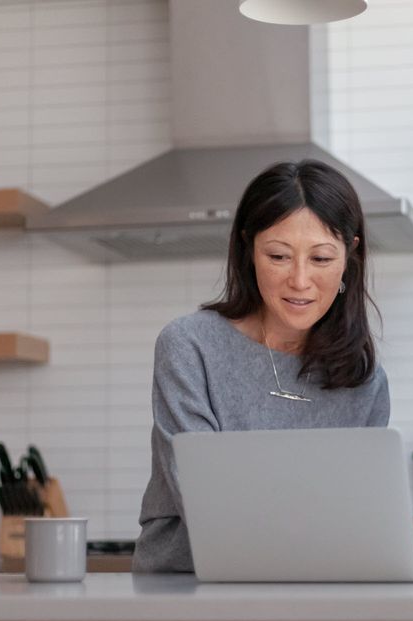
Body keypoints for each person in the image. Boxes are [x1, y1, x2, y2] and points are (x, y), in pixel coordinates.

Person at [132, 159, 390, 573]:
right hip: (185, 592)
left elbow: (358, 517)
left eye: (321, 259)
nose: (300, 281)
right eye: (279, 256)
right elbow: (203, 500)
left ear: (349, 257)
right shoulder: (190, 347)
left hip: (316, 592)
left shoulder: (365, 382)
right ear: (248, 250)